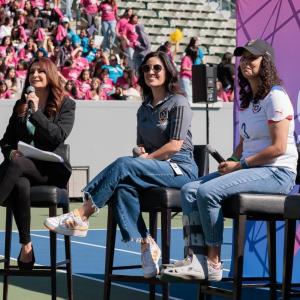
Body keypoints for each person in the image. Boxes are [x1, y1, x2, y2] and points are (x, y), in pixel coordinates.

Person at [44, 51, 198, 278]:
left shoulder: (179, 102)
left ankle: (82, 214)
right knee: (121, 187)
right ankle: (146, 244)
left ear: (168, 71)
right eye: (146, 68)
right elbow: (140, 147)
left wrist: (147, 158)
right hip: (155, 168)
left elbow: (175, 146)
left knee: (124, 165)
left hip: (180, 169)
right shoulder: (143, 109)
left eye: (156, 68)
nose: (150, 72)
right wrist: (140, 152)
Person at [161, 39, 298, 282]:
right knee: (190, 189)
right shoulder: (251, 100)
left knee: (208, 192)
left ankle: (213, 262)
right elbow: (245, 142)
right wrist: (233, 160)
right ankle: (197, 257)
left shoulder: (276, 97)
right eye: (243, 58)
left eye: (251, 58)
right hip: (255, 168)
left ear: (265, 62)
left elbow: (277, 148)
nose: (245, 62)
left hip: (277, 173)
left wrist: (241, 165)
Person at [0, 57, 76, 270]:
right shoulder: (21, 105)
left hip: (52, 170)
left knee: (18, 166)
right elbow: (6, 141)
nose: (35, 75)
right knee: (20, 181)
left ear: (50, 74)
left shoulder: (66, 104)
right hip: (22, 168)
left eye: (40, 71)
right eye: (32, 71)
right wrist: (10, 151)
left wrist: (37, 113)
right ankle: (26, 247)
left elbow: (57, 137)